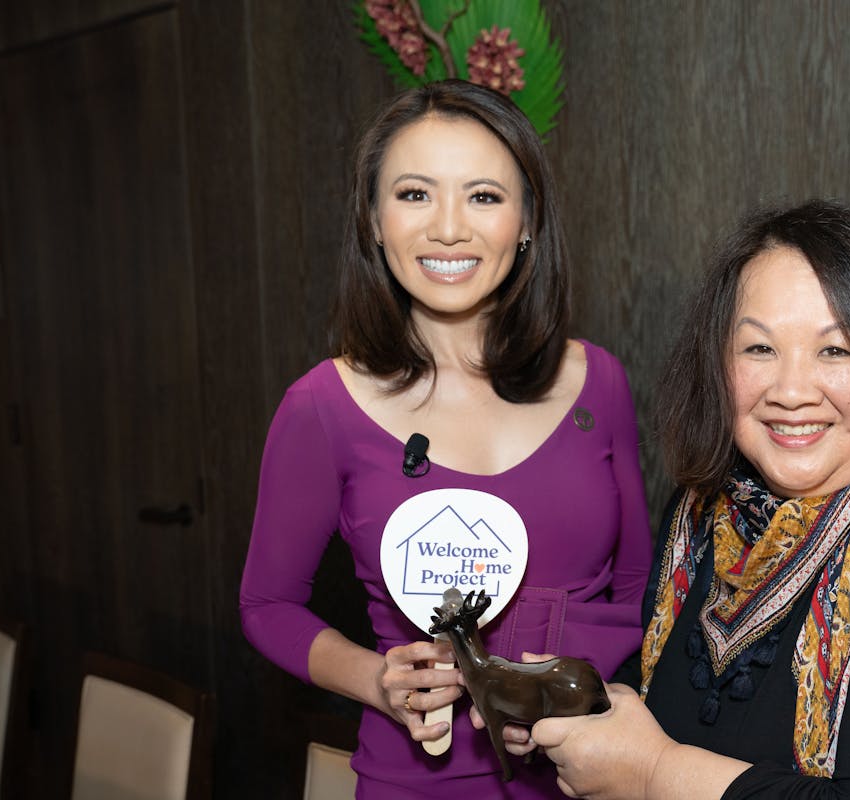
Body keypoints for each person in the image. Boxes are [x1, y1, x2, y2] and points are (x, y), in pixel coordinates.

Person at [532, 199, 850, 799]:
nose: (789, 391)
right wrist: (575, 714)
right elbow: (658, 695)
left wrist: (655, 774)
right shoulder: (703, 512)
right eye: (759, 349)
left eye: (835, 350)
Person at [239, 80, 651, 798]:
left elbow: (639, 589)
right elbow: (266, 605)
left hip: (591, 776)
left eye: (484, 196)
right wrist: (376, 679)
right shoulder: (320, 407)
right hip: (418, 779)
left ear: (527, 221)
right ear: (372, 219)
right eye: (415, 195)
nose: (449, 229)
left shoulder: (600, 383)